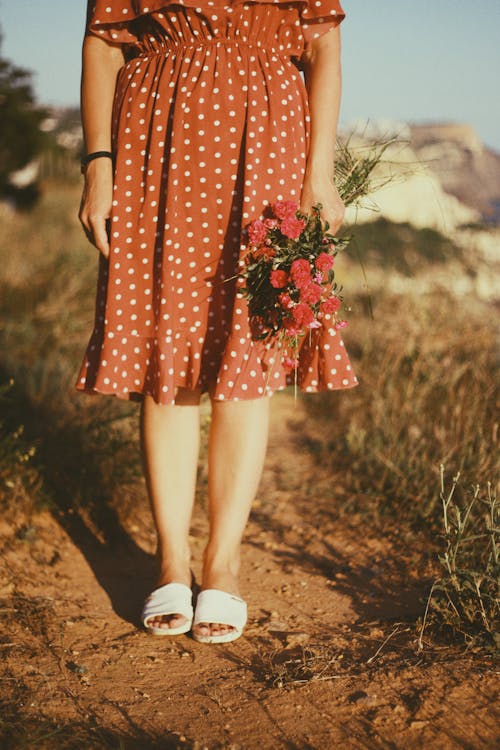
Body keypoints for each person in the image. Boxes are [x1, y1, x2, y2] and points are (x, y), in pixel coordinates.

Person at [77, 0, 358, 644]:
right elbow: (101, 44)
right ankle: (171, 560)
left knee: (247, 354)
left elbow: (323, 47)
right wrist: (98, 165)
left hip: (266, 143)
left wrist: (319, 171)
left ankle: (222, 563)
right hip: (154, 139)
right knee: (165, 352)